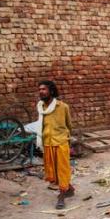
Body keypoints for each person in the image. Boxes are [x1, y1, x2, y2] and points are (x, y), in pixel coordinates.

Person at [36, 80, 74, 209]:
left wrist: (69, 142)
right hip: (47, 143)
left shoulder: (62, 107)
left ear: (51, 91)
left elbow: (69, 126)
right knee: (54, 172)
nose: (41, 91)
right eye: (40, 89)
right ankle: (69, 189)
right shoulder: (40, 108)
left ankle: (61, 197)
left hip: (61, 142)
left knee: (62, 170)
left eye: (44, 89)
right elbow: (40, 126)